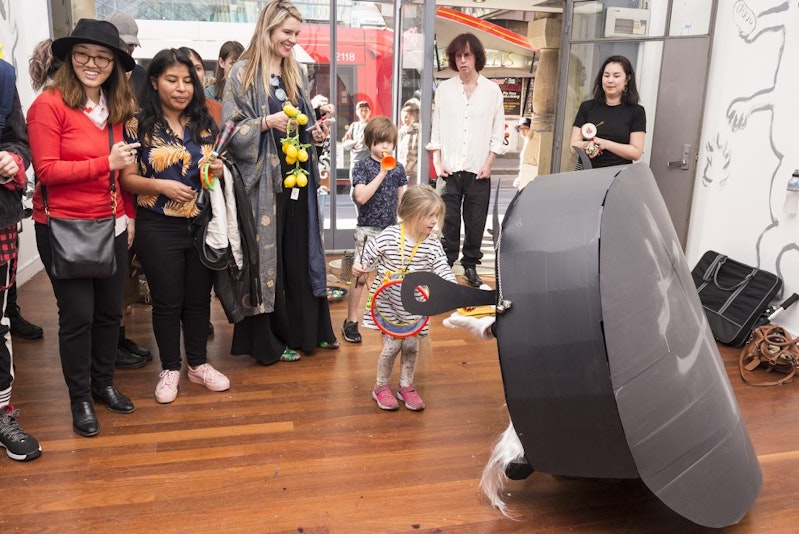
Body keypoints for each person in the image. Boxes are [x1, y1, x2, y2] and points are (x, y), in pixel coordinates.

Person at [27, 19, 139, 437]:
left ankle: (103, 382)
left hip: (110, 225)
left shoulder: (115, 109)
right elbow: (47, 171)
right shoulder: (48, 105)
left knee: (110, 313)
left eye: (103, 58)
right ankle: (79, 399)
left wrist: (126, 214)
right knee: (78, 316)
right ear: (69, 58)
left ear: (114, 63)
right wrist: (103, 163)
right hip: (63, 227)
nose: (92, 64)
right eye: (83, 55)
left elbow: (121, 170)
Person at [223, 0, 337, 365]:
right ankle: (269, 341)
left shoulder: (295, 71)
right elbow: (229, 131)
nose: (292, 40)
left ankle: (306, 332)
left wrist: (316, 133)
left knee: (299, 255)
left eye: (296, 34)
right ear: (268, 28)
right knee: (269, 263)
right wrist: (263, 123)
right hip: (263, 186)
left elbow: (301, 124)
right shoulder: (242, 73)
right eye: (287, 33)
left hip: (298, 182)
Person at [120, 48, 230, 404]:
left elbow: (214, 171)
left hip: (201, 224)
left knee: (199, 302)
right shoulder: (137, 124)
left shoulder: (205, 123)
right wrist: (160, 185)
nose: (181, 88)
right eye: (172, 80)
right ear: (154, 82)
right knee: (167, 302)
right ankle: (170, 369)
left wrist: (216, 172)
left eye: (187, 80)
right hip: (157, 225)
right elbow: (128, 179)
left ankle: (197, 365)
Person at [352, 185, 455, 411]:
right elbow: (367, 256)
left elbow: (443, 269)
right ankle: (380, 386)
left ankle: (406, 386)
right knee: (391, 347)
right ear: (410, 213)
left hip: (416, 305)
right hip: (388, 302)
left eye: (436, 216)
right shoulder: (389, 236)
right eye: (428, 216)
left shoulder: (432, 244)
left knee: (411, 346)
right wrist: (359, 266)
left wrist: (452, 288)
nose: (433, 222)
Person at [426, 33, 505, 289]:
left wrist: (489, 163)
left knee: (475, 222)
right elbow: (435, 129)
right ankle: (446, 266)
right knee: (447, 221)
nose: (463, 61)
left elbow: (497, 130)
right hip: (449, 169)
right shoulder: (445, 90)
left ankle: (470, 266)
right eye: (458, 56)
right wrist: (437, 161)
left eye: (467, 55)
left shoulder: (492, 91)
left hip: (479, 170)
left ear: (477, 57)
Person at [0, 58, 42, 461]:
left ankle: (0, 415)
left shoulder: (2, 75)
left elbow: (18, 140)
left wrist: (13, 159)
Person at [342, 117, 407, 344]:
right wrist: (381, 172)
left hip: (391, 231)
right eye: (380, 142)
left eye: (389, 142)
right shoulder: (362, 166)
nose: (385, 147)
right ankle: (351, 322)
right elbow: (361, 197)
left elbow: (403, 202)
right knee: (360, 278)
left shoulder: (398, 168)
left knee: (389, 277)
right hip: (367, 231)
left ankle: (387, 320)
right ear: (370, 142)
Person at [569, 55, 646, 169]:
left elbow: (636, 153)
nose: (610, 80)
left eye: (616, 76)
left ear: (627, 79)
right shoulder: (587, 107)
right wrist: (587, 145)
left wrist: (606, 144)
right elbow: (573, 146)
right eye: (606, 75)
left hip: (618, 175)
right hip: (586, 172)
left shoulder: (636, 111)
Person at [105, 12, 147, 98]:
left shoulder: (141, 75)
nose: (126, 50)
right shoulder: (95, 75)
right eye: (120, 44)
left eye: (131, 44)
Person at [179, 47, 221, 126]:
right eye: (188, 68)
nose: (194, 73)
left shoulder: (217, 109)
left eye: (198, 68)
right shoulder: (170, 110)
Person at [342, 100, 371, 185]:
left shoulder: (371, 126)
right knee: (354, 188)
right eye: (361, 110)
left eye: (366, 110)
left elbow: (366, 145)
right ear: (357, 112)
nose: (363, 113)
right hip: (354, 162)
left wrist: (357, 144)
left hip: (368, 162)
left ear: (370, 112)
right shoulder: (354, 125)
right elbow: (346, 144)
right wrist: (357, 143)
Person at [512, 116, 538, 190]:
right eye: (520, 129)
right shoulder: (526, 141)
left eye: (526, 128)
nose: (523, 131)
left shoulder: (533, 142)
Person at [396, 100, 419, 184]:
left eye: (410, 116)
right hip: (402, 167)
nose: (406, 119)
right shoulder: (401, 131)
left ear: (414, 118)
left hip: (413, 169)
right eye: (404, 116)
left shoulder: (417, 130)